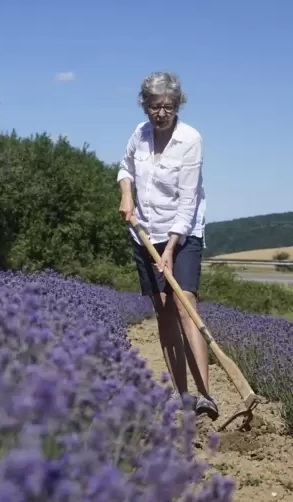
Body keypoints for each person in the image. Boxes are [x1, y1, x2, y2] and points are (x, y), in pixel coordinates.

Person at [116, 71, 218, 420]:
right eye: (156, 106)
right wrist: (126, 195)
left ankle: (206, 395)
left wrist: (172, 249)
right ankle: (183, 394)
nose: (162, 113)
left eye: (169, 106)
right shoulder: (139, 135)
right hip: (144, 232)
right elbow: (124, 168)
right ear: (145, 105)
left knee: (185, 301)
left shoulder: (190, 139)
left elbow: (188, 201)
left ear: (178, 105)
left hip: (184, 232)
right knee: (163, 308)